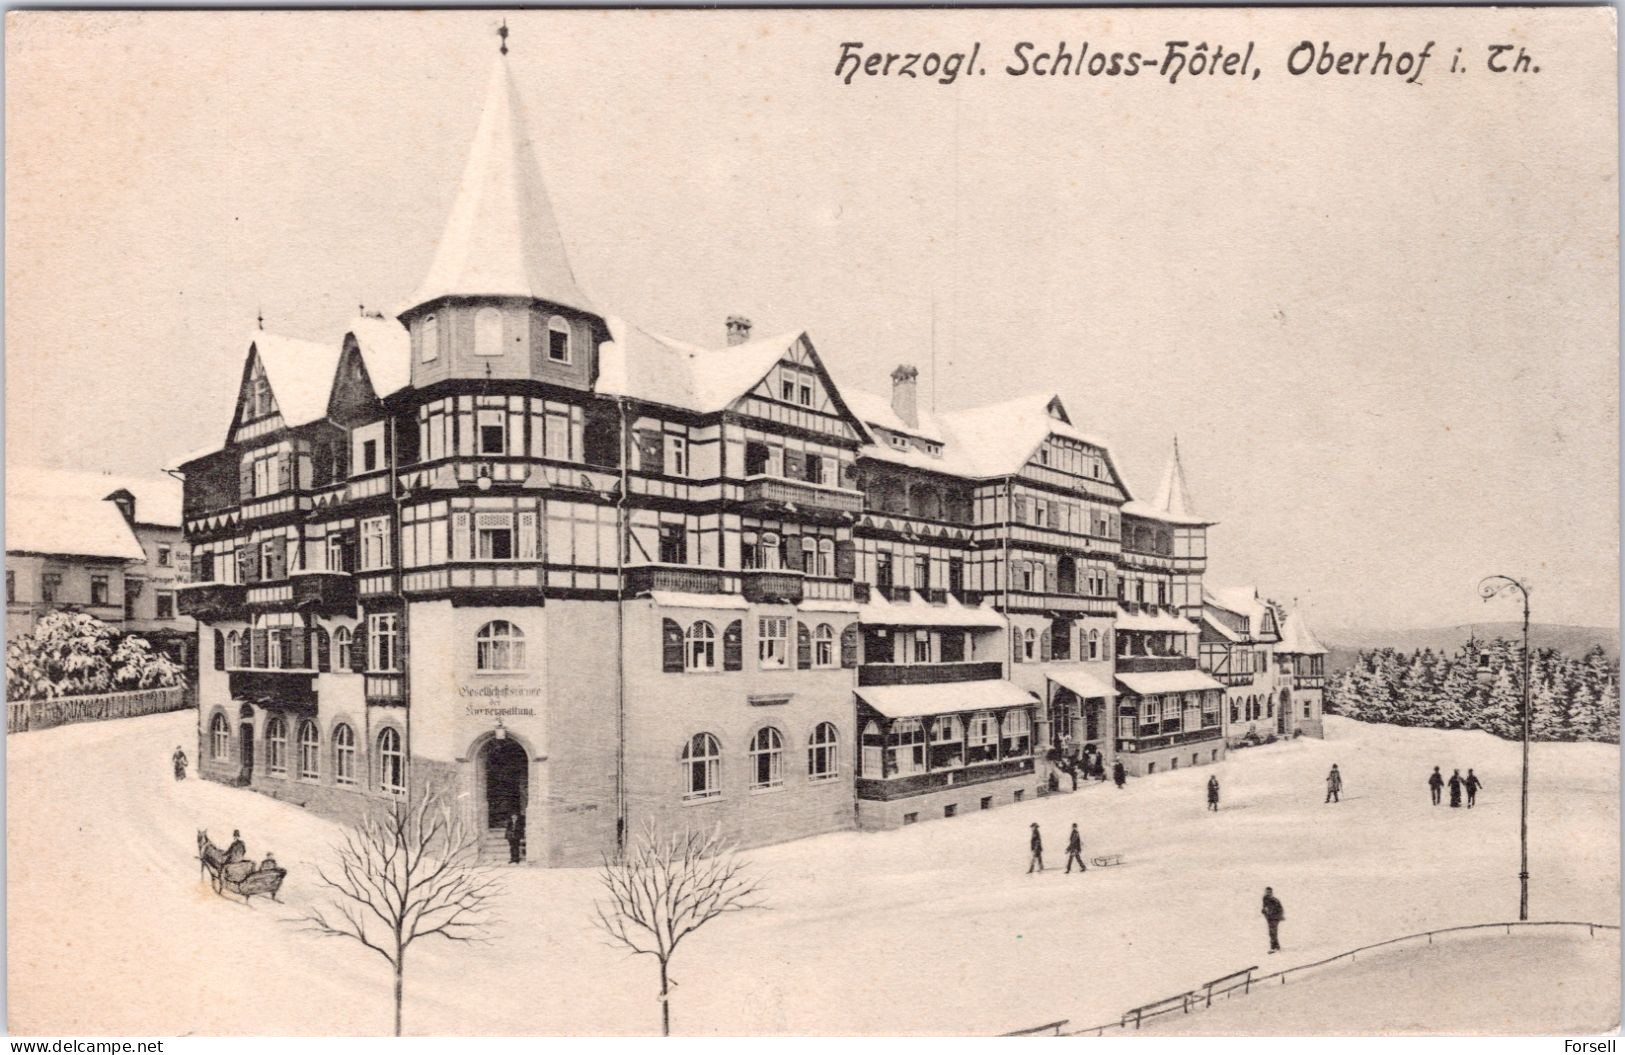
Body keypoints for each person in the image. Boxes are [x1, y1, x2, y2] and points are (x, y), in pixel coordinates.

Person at [1261, 887, 1285, 953]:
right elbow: (1264, 907)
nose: (1268, 893)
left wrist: (1278, 916)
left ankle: (1274, 947)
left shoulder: (1275, 900)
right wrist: (1264, 911)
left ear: (1271, 892)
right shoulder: (1265, 898)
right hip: (1269, 918)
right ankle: (1276, 947)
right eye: (1267, 892)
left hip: (1275, 918)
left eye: (1269, 892)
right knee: (1271, 933)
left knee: (1273, 932)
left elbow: (1280, 909)